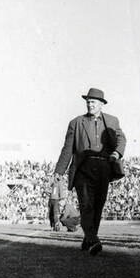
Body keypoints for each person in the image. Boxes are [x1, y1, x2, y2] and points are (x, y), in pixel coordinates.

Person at [54, 88, 126, 255]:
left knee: (98, 206)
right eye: (88, 101)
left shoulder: (112, 121)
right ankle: (94, 241)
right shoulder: (76, 122)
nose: (90, 104)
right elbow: (67, 148)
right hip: (83, 169)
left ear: (101, 104)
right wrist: (59, 171)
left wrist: (117, 152)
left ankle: (88, 239)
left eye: (93, 102)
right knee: (86, 206)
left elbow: (121, 138)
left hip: (104, 168)